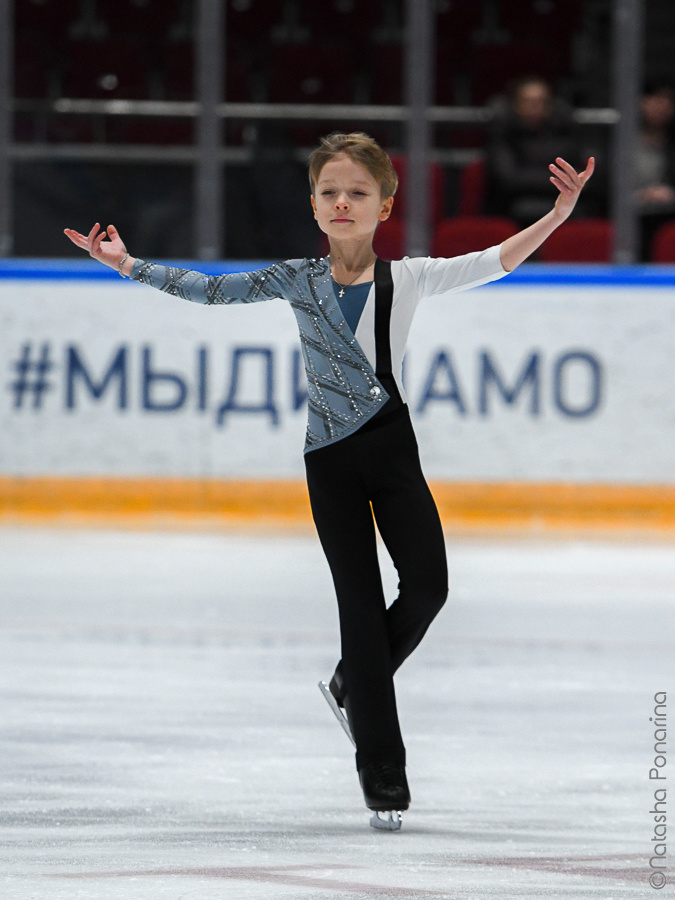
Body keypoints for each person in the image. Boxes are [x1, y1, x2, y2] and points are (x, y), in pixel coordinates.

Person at [64, 132, 594, 829]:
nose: (342, 203)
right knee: (358, 607)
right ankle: (384, 778)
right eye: (329, 193)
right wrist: (126, 263)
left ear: (385, 205)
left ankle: (351, 682)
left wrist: (557, 216)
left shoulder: (406, 279)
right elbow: (211, 291)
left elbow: (491, 261)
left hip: (391, 448)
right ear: (313, 205)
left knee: (428, 587)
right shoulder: (295, 279)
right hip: (329, 461)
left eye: (358, 193)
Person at [486, 76, 593, 227]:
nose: (534, 106)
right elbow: (508, 179)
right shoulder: (504, 131)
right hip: (513, 206)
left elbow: (580, 174)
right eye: (527, 101)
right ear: (515, 104)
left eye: (541, 101)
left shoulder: (564, 129)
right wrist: (561, 180)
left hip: (562, 202)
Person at [636, 79, 675, 260]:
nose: (663, 106)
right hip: (628, 212)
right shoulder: (618, 139)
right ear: (642, 102)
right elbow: (601, 180)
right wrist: (634, 195)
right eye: (657, 99)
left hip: (668, 213)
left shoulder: (671, 141)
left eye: (668, 100)